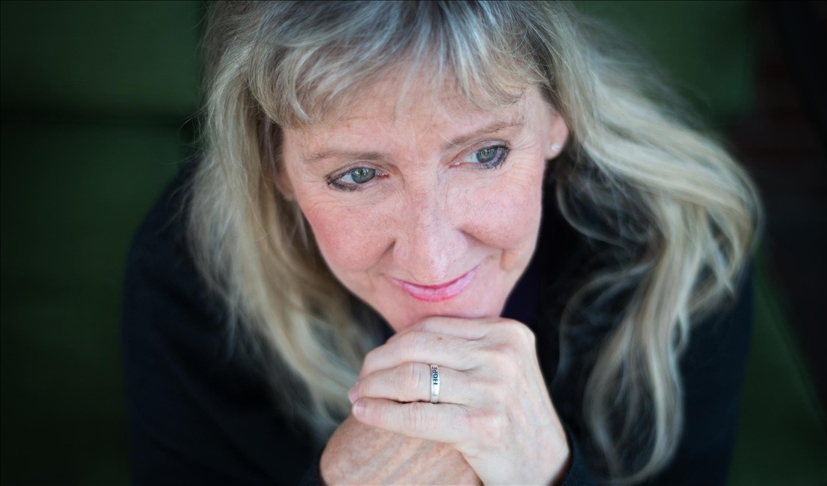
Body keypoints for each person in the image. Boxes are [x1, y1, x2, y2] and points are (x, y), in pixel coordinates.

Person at [122, 1, 761, 484]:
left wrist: (549, 475)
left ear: (558, 117)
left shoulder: (681, 244)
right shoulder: (191, 263)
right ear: (276, 168)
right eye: (358, 175)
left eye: (485, 154)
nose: (433, 262)